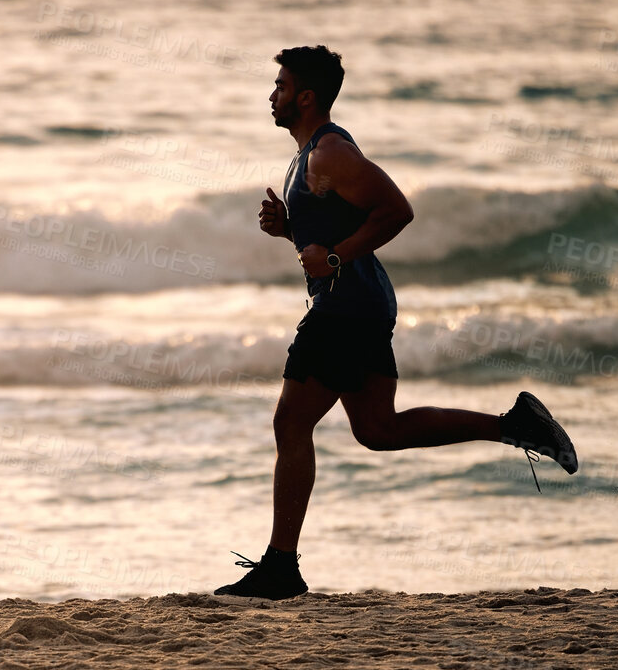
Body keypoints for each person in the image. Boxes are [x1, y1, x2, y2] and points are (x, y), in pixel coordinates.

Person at [214, 45, 578, 601]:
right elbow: (338, 226)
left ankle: (281, 565)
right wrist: (290, 229)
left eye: (282, 86)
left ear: (306, 97)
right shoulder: (307, 155)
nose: (272, 94)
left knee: (291, 424)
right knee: (376, 430)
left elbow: (396, 210)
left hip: (345, 308)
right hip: (364, 304)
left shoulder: (329, 152)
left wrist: (334, 257)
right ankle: (516, 425)